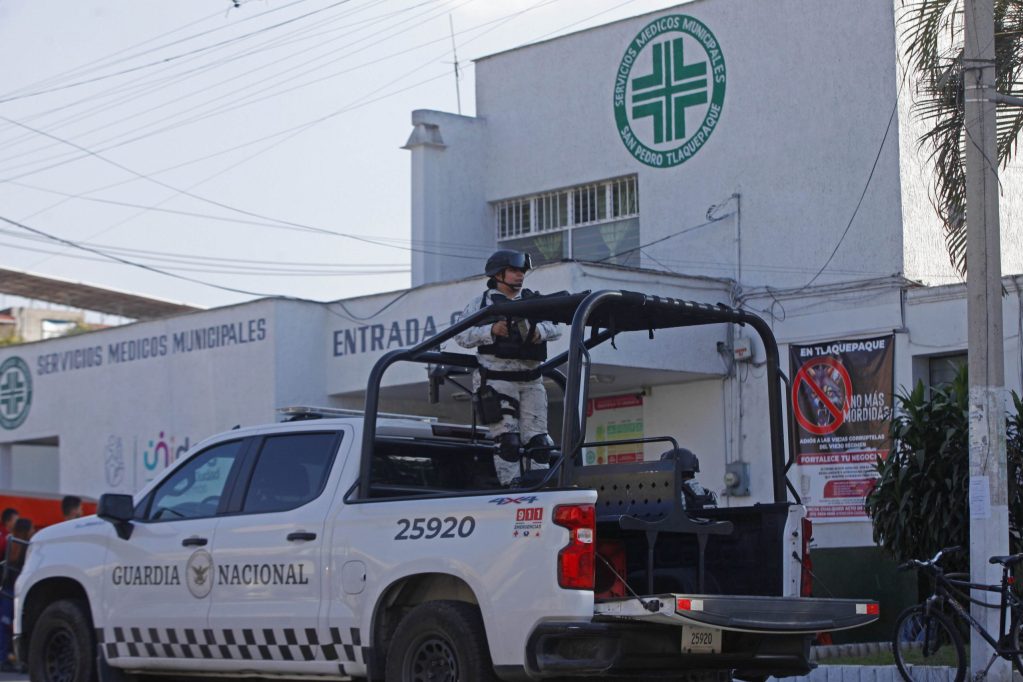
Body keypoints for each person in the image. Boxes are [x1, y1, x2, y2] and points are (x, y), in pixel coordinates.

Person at [456, 249, 562, 485]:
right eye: (514, 270)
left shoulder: (534, 300)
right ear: (498, 274)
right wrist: (490, 331)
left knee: (539, 443)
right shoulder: (481, 304)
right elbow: (461, 336)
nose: (520, 275)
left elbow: (558, 326)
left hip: (531, 379)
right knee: (508, 442)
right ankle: (511, 488)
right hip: (497, 380)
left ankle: (539, 485)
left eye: (522, 271)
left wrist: (538, 332)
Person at [0, 517, 31, 672]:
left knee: (4, 626)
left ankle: (3, 658)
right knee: (14, 627)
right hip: (18, 591)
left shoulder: (11, 544)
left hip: (7, 590)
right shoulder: (27, 547)